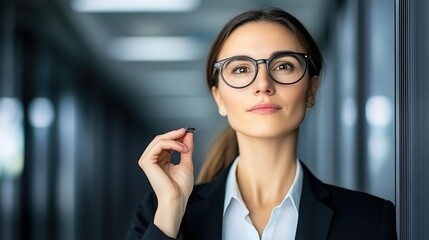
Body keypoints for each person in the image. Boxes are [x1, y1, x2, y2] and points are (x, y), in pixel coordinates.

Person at [126, 7, 397, 240]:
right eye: (241, 69)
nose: (263, 85)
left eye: (283, 66)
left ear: (312, 90)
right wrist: (172, 211)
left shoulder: (370, 220)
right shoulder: (161, 209)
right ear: (219, 97)